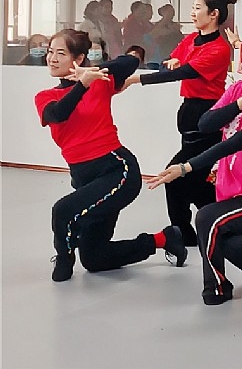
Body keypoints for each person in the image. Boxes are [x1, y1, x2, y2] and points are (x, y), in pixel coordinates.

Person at [147, 27, 242, 304]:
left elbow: (232, 145)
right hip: (234, 189)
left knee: (207, 218)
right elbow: (205, 123)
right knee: (231, 244)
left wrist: (185, 167)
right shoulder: (239, 90)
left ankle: (217, 288)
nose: (240, 66)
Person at [35, 29, 186, 282]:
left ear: (78, 58)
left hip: (118, 171)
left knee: (63, 211)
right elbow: (58, 114)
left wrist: (91, 74)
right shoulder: (46, 97)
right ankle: (164, 239)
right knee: (95, 258)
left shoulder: (99, 82)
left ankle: (63, 259)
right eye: (50, 52)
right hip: (85, 178)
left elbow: (131, 61)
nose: (52, 58)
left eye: (60, 53)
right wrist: (82, 84)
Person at [123, 0, 236, 246]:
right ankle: (221, 222)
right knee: (195, 179)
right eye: (193, 7)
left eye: (197, 8)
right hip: (189, 112)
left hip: (207, 115)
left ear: (214, 14)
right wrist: (173, 60)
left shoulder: (219, 49)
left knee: (176, 176)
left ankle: (184, 233)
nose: (193, 12)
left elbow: (182, 72)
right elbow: (175, 59)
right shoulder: (193, 39)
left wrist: (136, 79)